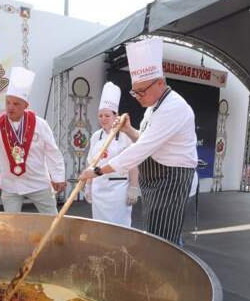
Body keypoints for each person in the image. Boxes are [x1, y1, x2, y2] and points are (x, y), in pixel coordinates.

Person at [80, 37, 197, 244]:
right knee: (156, 230)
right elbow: (143, 139)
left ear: (160, 83)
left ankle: (167, 273)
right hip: (154, 177)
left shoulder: (173, 108)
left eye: (142, 90)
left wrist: (98, 171)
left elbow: (140, 150)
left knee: (164, 238)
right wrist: (129, 129)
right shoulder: (153, 108)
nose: (138, 96)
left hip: (170, 179)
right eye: (135, 91)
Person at [0, 67, 66, 214]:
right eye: (8, 102)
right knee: (11, 225)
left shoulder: (40, 125)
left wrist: (58, 177)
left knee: (53, 220)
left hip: (38, 183)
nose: (10, 107)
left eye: (16, 104)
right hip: (11, 185)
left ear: (26, 106)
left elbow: (52, 152)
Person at [84, 82, 139, 226]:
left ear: (116, 116)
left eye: (107, 115)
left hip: (118, 191)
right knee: (100, 227)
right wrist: (88, 185)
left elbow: (132, 163)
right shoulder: (96, 136)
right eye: (100, 115)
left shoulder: (125, 135)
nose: (103, 119)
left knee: (120, 227)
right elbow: (92, 163)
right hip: (99, 190)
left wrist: (133, 187)